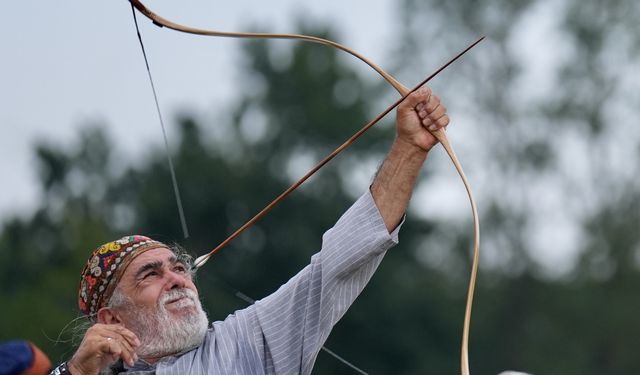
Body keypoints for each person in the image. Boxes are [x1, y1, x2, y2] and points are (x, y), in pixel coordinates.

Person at [49, 87, 450, 375]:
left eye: (178, 268)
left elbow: (338, 264)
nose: (176, 280)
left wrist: (409, 149)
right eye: (150, 275)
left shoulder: (247, 340)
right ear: (112, 319)